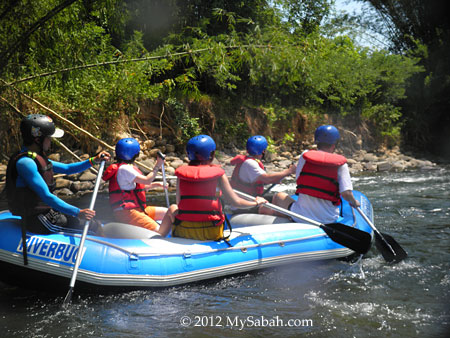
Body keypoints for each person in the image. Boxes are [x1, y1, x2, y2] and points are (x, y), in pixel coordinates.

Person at [5, 114, 110, 235]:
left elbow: (67, 168)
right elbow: (46, 196)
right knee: (92, 228)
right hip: (39, 221)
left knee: (93, 224)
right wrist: (78, 212)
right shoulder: (25, 163)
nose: (51, 142)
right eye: (49, 138)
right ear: (37, 139)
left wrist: (93, 160)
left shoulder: (36, 158)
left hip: (48, 213)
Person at [157, 135, 268, 240]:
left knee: (173, 207)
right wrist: (256, 202)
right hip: (211, 231)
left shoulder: (181, 175)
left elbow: (180, 203)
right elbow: (235, 202)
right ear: (212, 154)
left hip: (184, 229)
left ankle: (158, 238)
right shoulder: (219, 174)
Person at [270, 125, 360, 224]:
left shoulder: (304, 156)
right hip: (328, 219)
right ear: (334, 144)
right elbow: (346, 194)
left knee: (278, 196)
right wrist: (354, 202)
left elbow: (298, 179)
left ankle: (282, 223)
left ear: (316, 142)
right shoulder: (341, 165)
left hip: (300, 216)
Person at [102, 138, 168, 232]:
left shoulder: (124, 168)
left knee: (167, 212)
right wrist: (158, 165)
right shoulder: (125, 169)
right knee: (159, 230)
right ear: (135, 154)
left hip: (137, 209)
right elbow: (147, 180)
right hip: (127, 213)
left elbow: (137, 188)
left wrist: (157, 184)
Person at [230, 135, 296, 213]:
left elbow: (263, 179)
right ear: (263, 151)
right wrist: (288, 171)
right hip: (244, 205)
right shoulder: (250, 163)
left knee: (278, 197)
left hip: (251, 199)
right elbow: (267, 178)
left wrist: (275, 179)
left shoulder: (249, 161)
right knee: (280, 209)